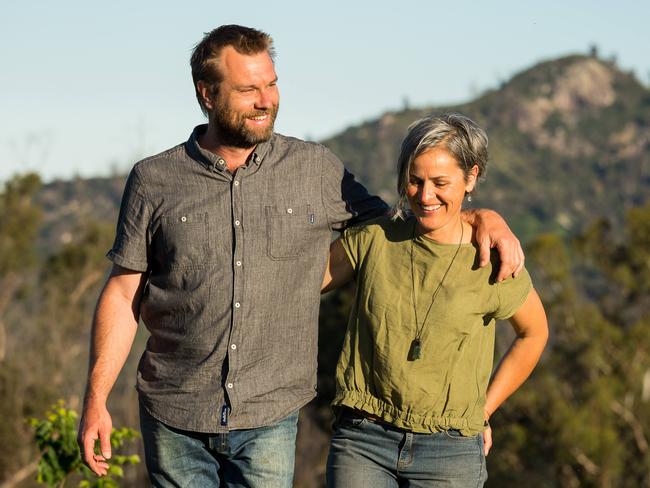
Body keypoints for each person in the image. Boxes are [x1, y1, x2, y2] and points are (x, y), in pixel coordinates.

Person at [77, 26, 524, 487]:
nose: (266, 99)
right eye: (248, 89)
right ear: (206, 94)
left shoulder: (316, 169)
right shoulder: (154, 179)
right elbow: (123, 289)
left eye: (271, 84)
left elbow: (411, 218)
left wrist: (481, 217)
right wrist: (95, 399)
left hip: (270, 415)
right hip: (174, 411)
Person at [322, 113, 548, 487]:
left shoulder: (492, 256)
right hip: (364, 441)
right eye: (415, 181)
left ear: (471, 177)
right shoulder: (375, 238)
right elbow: (302, 282)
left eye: (440, 183)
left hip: (451, 452)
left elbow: (535, 333)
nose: (425, 197)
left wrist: (485, 410)